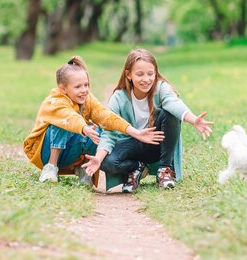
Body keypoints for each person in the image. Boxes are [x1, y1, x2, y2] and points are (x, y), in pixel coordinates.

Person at [81, 48, 213, 192]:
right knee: (107, 163)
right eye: (140, 74)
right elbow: (109, 132)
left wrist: (194, 120)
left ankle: (164, 169)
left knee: (170, 113)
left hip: (156, 143)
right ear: (128, 75)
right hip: (131, 146)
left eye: (150, 74)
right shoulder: (118, 98)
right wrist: (98, 159)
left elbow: (173, 103)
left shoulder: (161, 88)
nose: (146, 79)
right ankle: (136, 167)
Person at [23, 56, 164, 184]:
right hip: (44, 153)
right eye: (78, 87)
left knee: (102, 130)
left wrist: (136, 133)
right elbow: (70, 117)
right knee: (63, 124)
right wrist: (85, 128)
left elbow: (106, 116)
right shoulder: (55, 100)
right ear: (63, 89)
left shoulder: (87, 99)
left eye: (86, 85)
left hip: (68, 154)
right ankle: (50, 167)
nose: (84, 90)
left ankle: (83, 168)